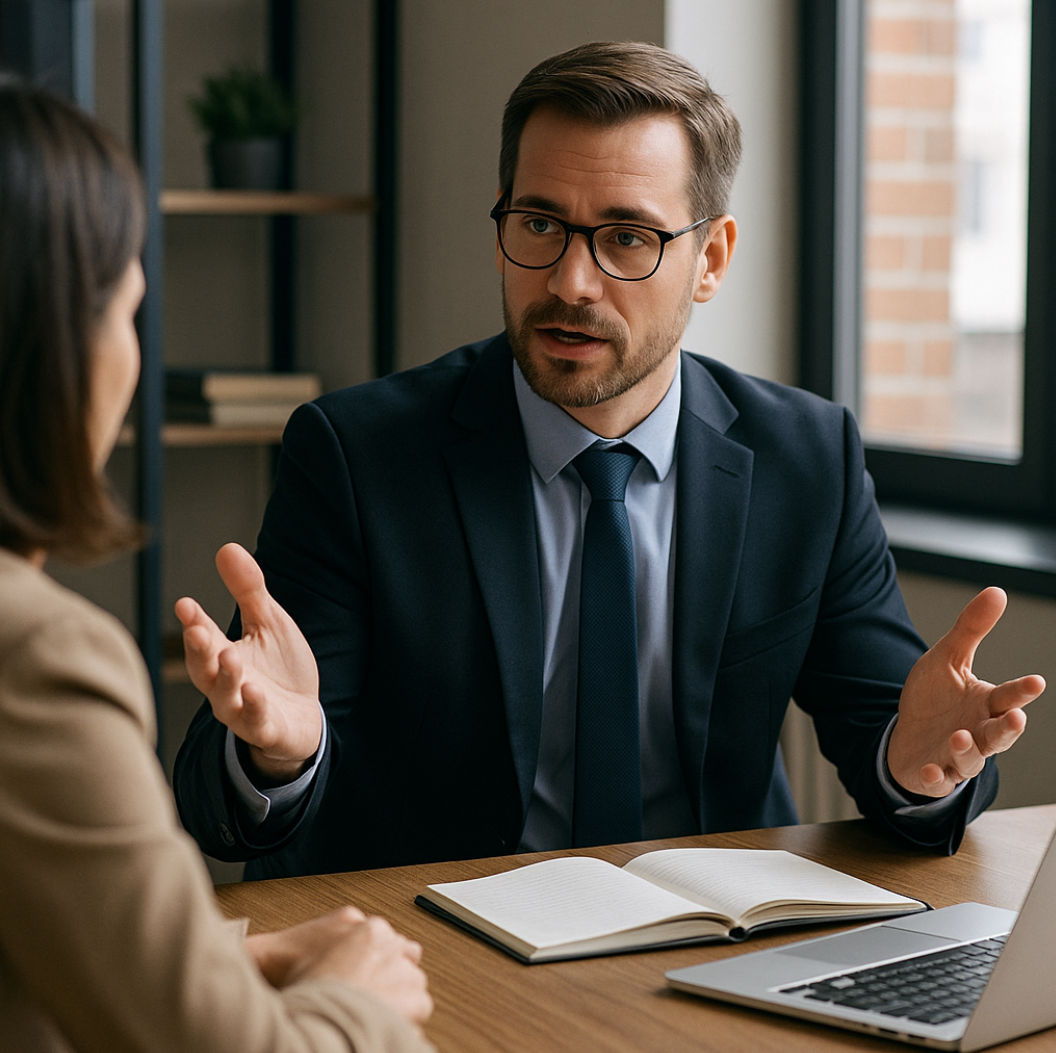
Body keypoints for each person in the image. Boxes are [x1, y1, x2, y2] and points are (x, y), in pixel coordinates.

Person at [173, 41, 1044, 881]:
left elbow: (894, 739)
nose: (570, 282)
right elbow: (224, 803)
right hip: (442, 948)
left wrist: (922, 764)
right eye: (540, 223)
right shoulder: (358, 456)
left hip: (711, 941)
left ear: (711, 259)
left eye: (626, 238)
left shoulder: (805, 457)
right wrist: (278, 752)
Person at [0, 77, 433, 1053]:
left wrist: (226, 965)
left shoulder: (801, 451)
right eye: (127, 312)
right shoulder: (33, 655)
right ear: (54, 345)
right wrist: (356, 995)